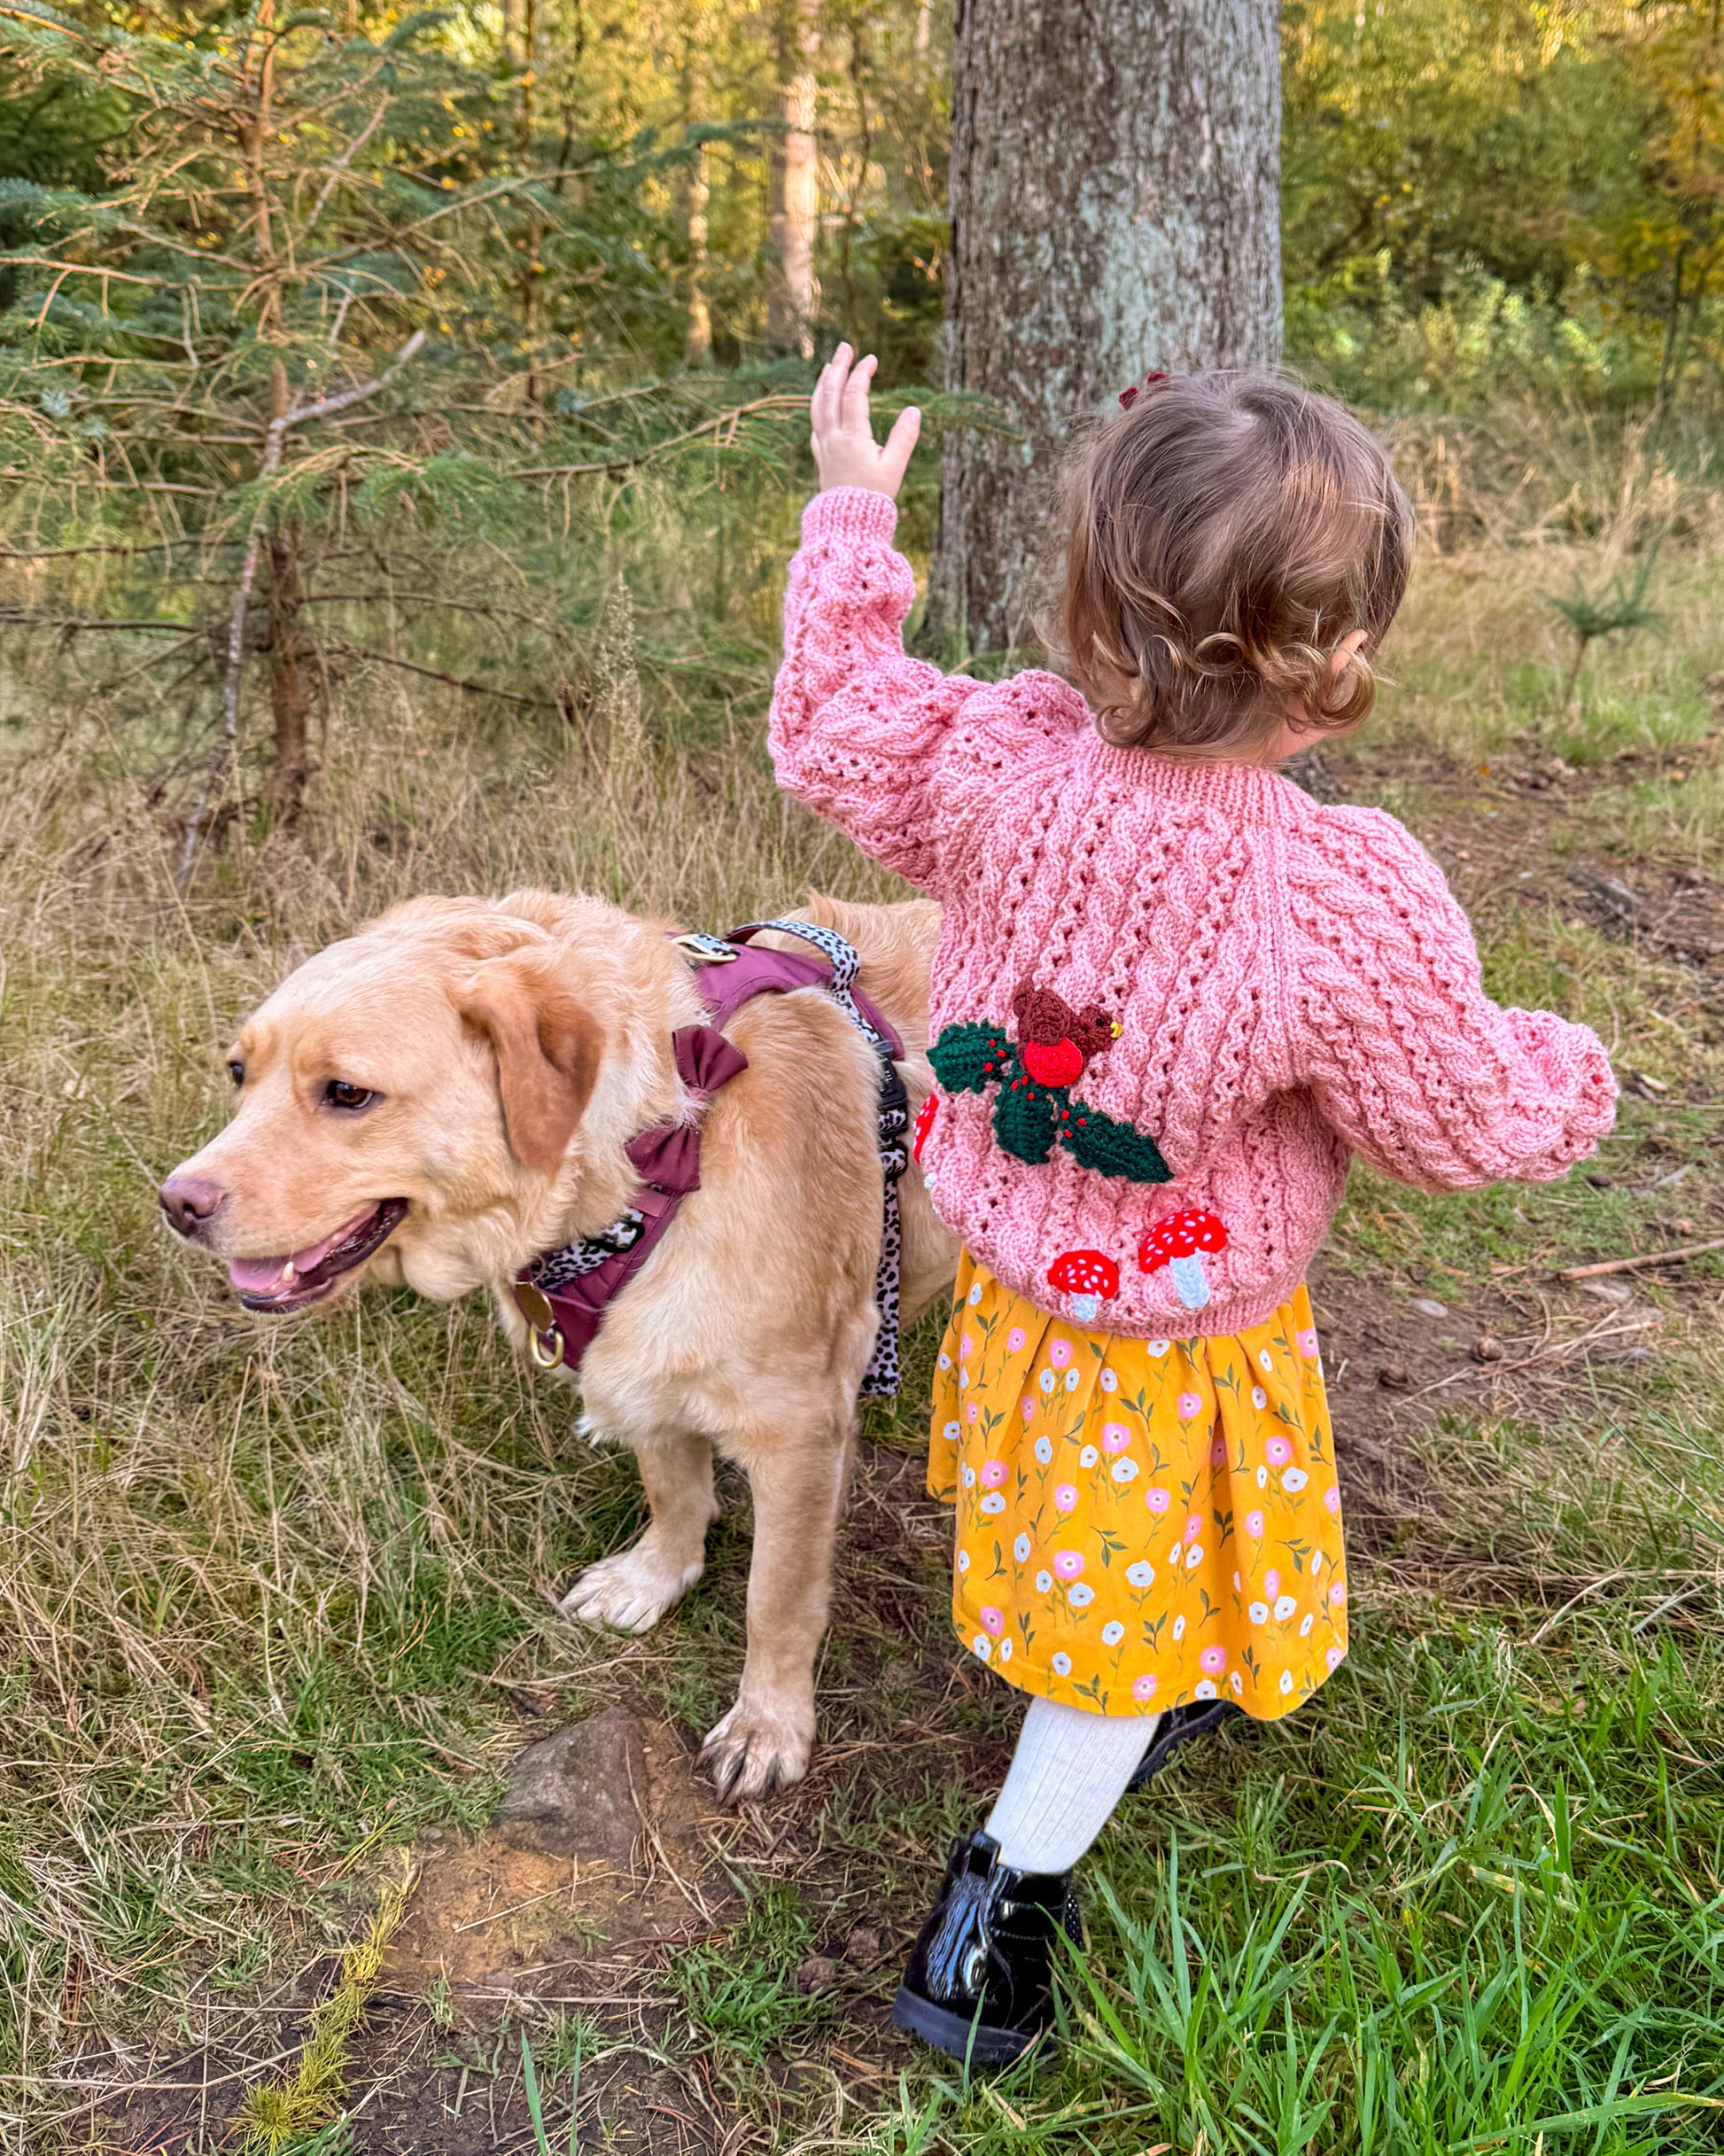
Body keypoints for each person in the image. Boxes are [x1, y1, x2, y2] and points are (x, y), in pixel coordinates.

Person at [768, 348, 1616, 2066]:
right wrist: (1568, 1068)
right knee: (1111, 1641)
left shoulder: (1000, 762)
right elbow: (1452, 1116)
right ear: (1343, 652)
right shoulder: (1333, 891)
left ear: (1087, 608)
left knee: (1086, 1552)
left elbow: (834, 724)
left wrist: (853, 508)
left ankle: (1118, 1667)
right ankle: (993, 1914)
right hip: (1177, 1333)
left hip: (1024, 1281)